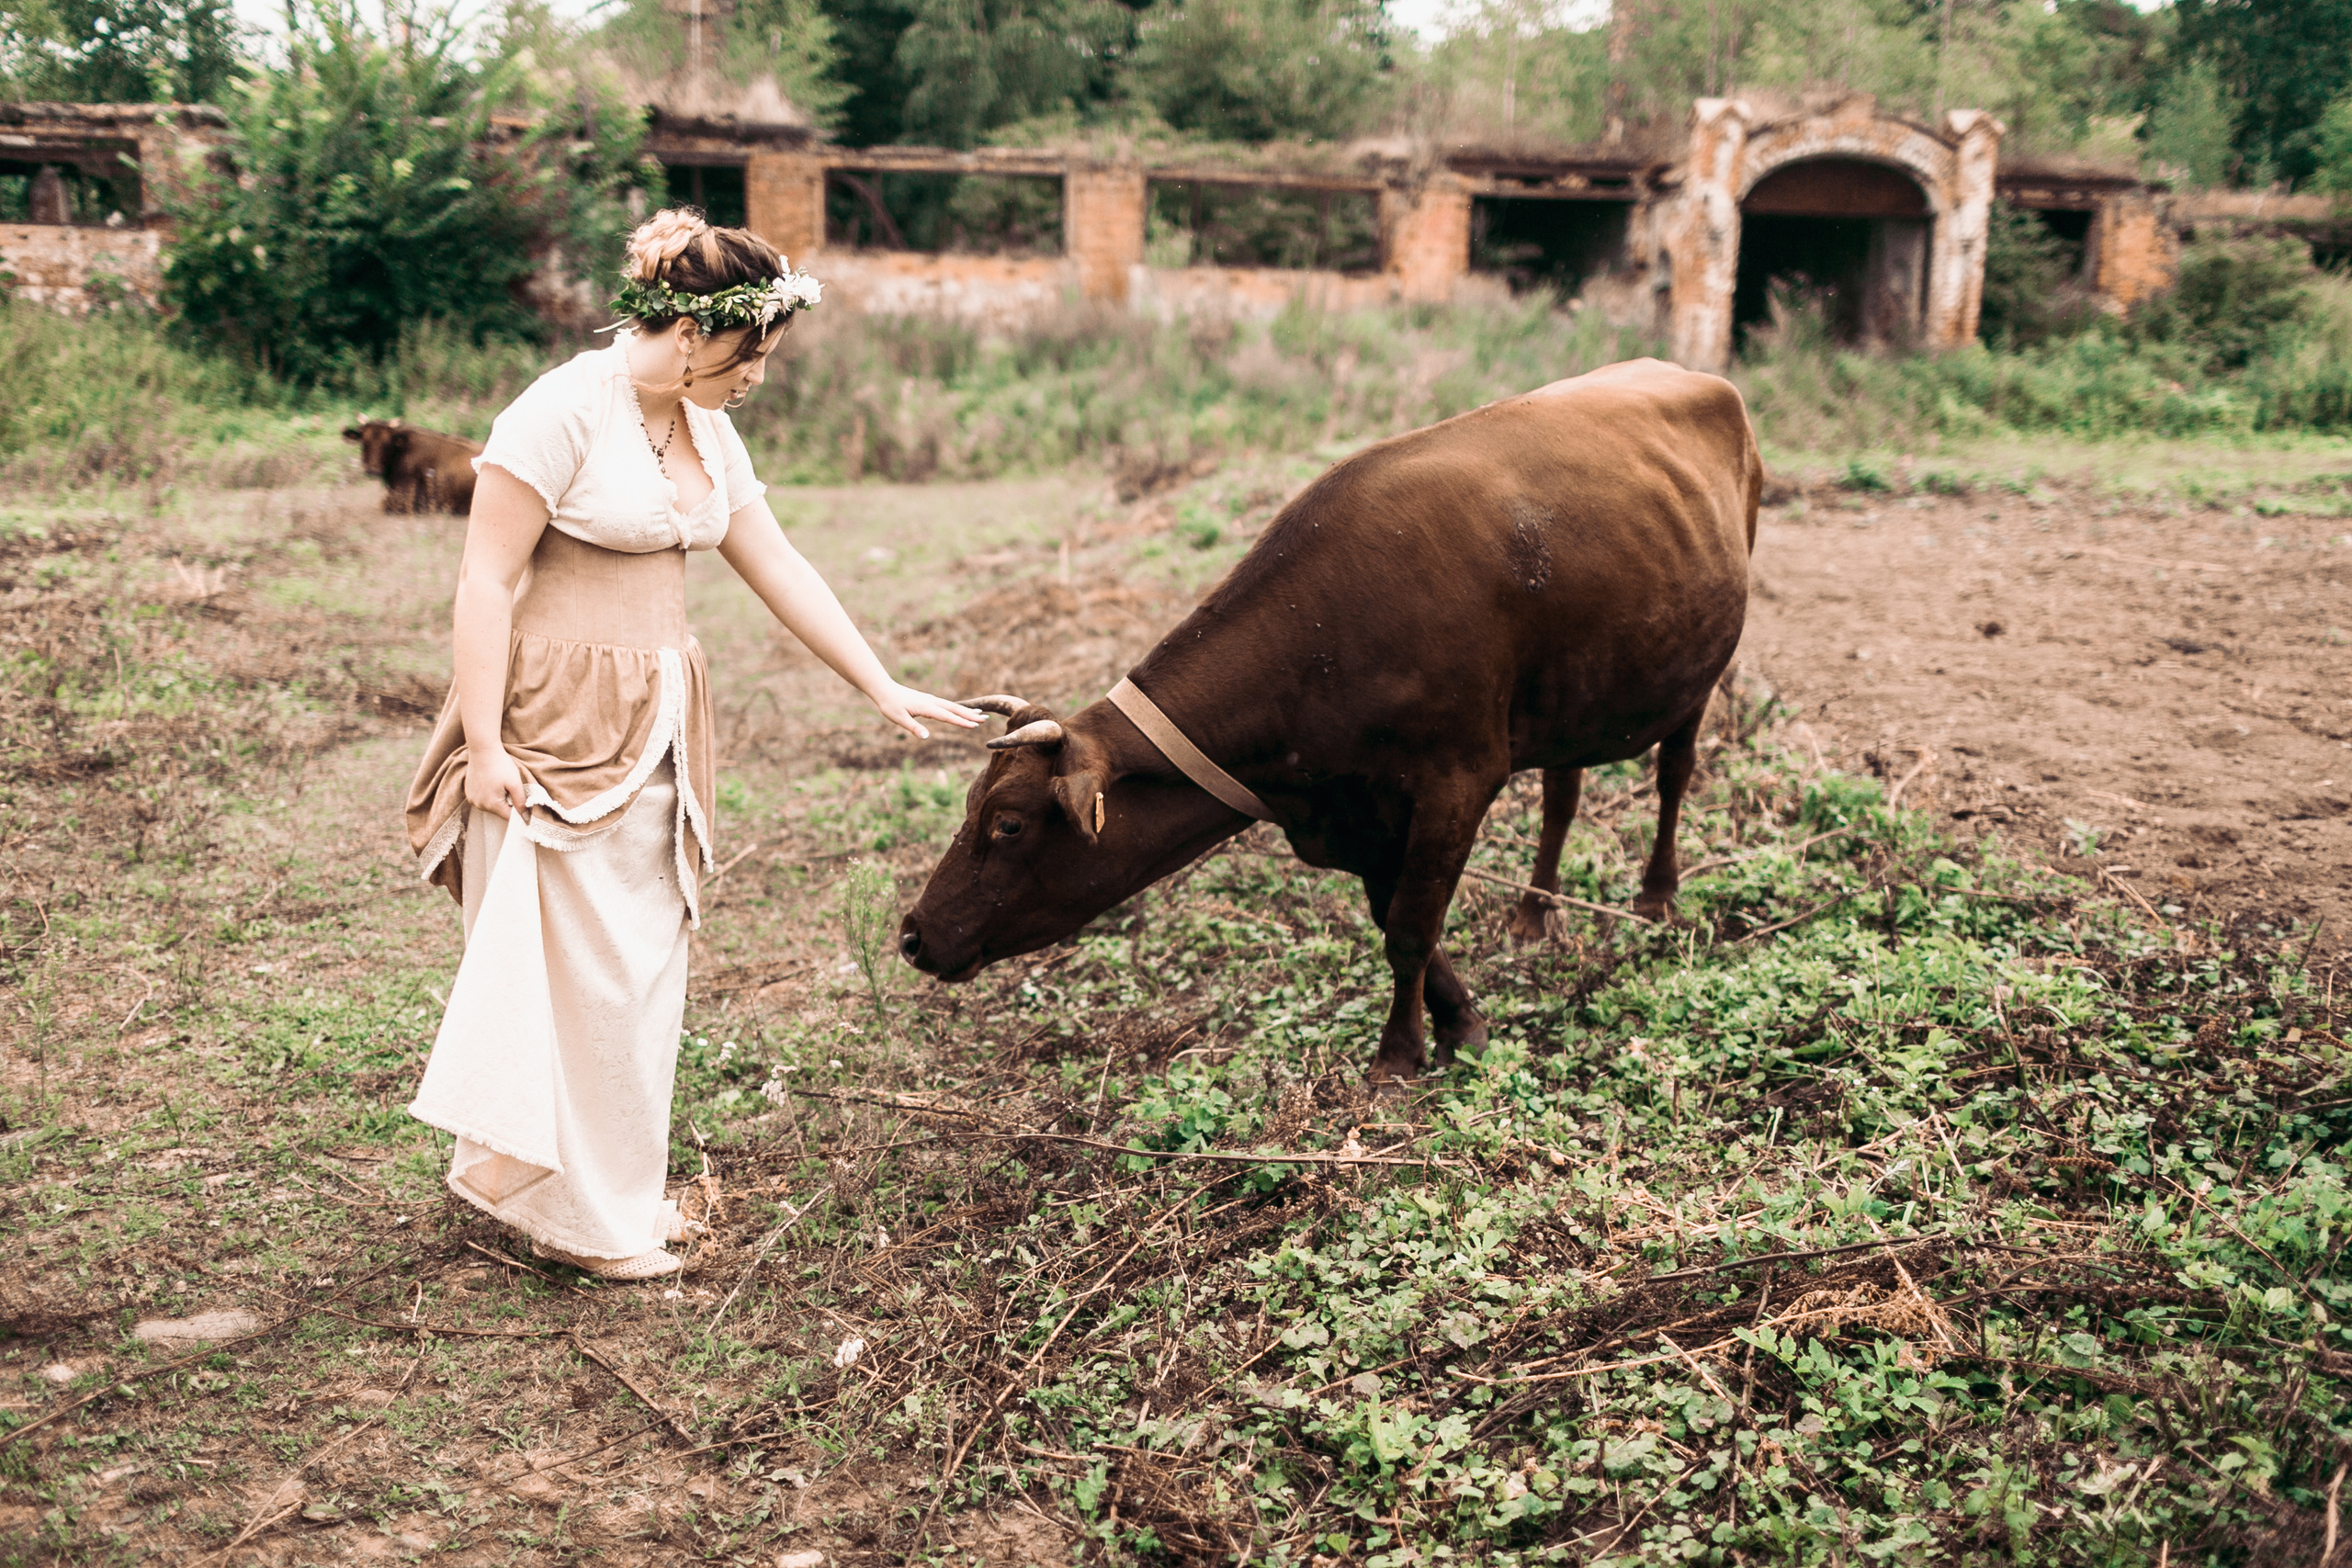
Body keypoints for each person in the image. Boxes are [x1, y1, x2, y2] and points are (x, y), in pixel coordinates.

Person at [404, 209, 979, 1280]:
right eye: (745, 353)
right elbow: (483, 582)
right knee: (576, 973)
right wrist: (484, 747)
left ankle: (615, 1200)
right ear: (682, 332)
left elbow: (779, 563)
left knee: (638, 975)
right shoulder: (558, 412)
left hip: (661, 724)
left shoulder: (706, 427)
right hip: (554, 721)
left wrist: (879, 683)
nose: (757, 374)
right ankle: (583, 1223)